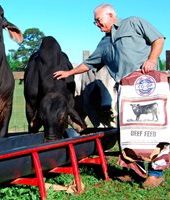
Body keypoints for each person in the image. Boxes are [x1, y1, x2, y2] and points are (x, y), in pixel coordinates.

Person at [53, 3, 166, 189]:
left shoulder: (134, 23)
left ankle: (156, 173)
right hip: (126, 89)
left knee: (153, 127)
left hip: (148, 84)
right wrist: (69, 73)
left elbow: (158, 38)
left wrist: (152, 59)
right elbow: (89, 64)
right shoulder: (104, 43)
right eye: (94, 21)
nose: (96, 24)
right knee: (127, 130)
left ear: (111, 15)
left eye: (98, 20)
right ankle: (134, 170)